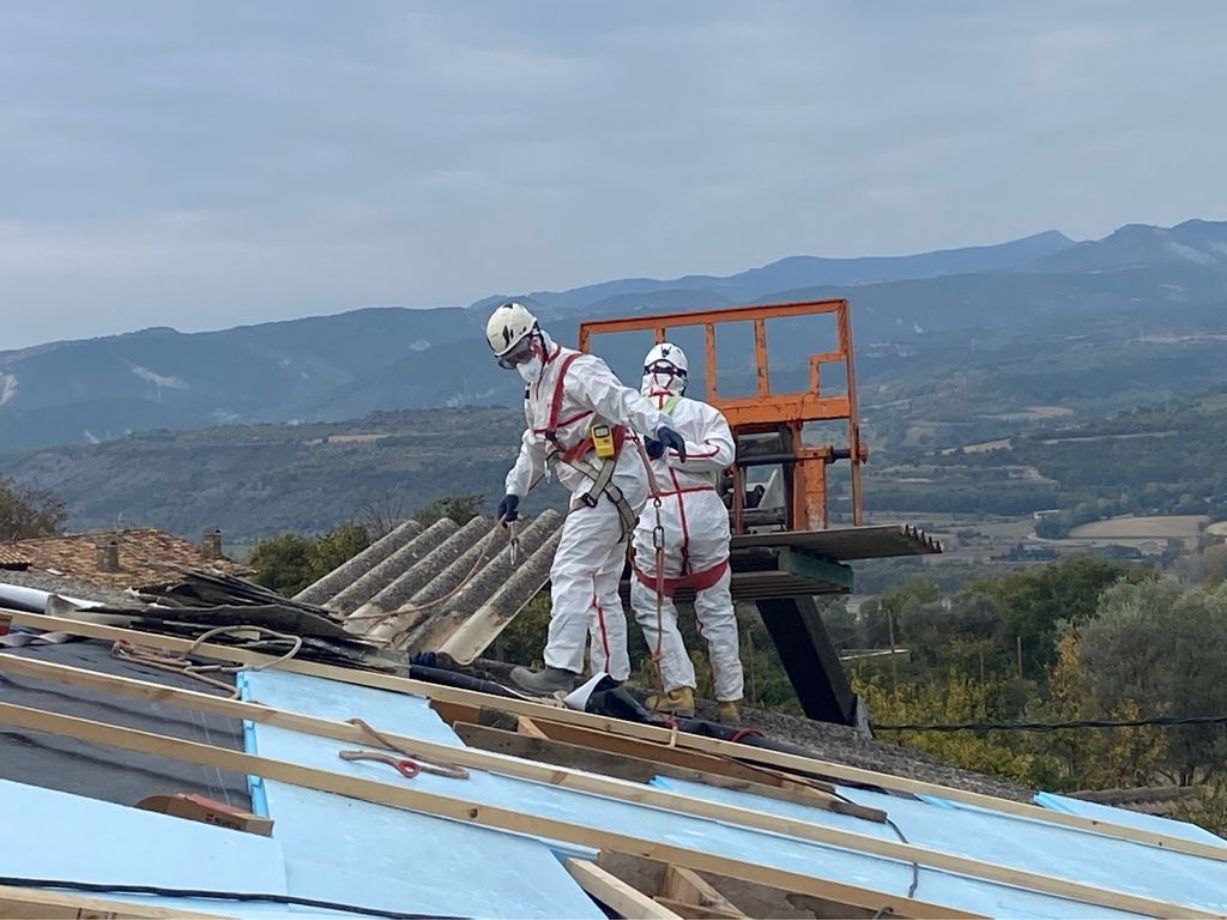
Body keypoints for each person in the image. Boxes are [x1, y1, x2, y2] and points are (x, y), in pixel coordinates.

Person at [486, 301, 688, 696]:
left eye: (523, 354)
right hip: (608, 483)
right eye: (511, 362)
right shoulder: (536, 393)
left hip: (609, 480)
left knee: (569, 569)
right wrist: (515, 490)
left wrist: (659, 424)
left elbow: (622, 401)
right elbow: (535, 446)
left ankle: (559, 667)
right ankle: (610, 679)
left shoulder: (577, 371)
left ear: (537, 338)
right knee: (600, 585)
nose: (521, 364)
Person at [629, 342, 744, 723]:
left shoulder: (630, 416)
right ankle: (730, 700)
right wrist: (683, 453)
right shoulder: (705, 414)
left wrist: (663, 452)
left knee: (651, 600)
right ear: (683, 378)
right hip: (706, 511)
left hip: (658, 510)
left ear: (646, 374)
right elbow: (723, 454)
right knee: (716, 605)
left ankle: (679, 689)